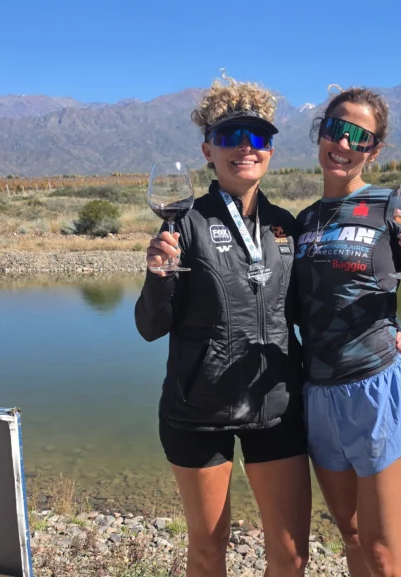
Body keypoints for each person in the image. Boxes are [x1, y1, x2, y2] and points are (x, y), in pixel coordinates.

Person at [133, 77, 310, 577]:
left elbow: (306, 313)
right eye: (231, 136)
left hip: (276, 407)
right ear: (208, 150)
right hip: (198, 410)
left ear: (271, 149)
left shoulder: (285, 226)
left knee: (291, 555)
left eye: (259, 137)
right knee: (209, 550)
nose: (246, 148)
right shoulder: (183, 222)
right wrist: (158, 278)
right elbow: (150, 327)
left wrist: (376, 330)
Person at [293, 87, 401, 577]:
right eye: (335, 129)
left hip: (378, 390)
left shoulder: (391, 207)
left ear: (374, 151)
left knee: (383, 551)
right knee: (352, 535)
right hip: (319, 394)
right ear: (320, 134)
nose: (343, 144)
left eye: (359, 137)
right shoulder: (304, 221)